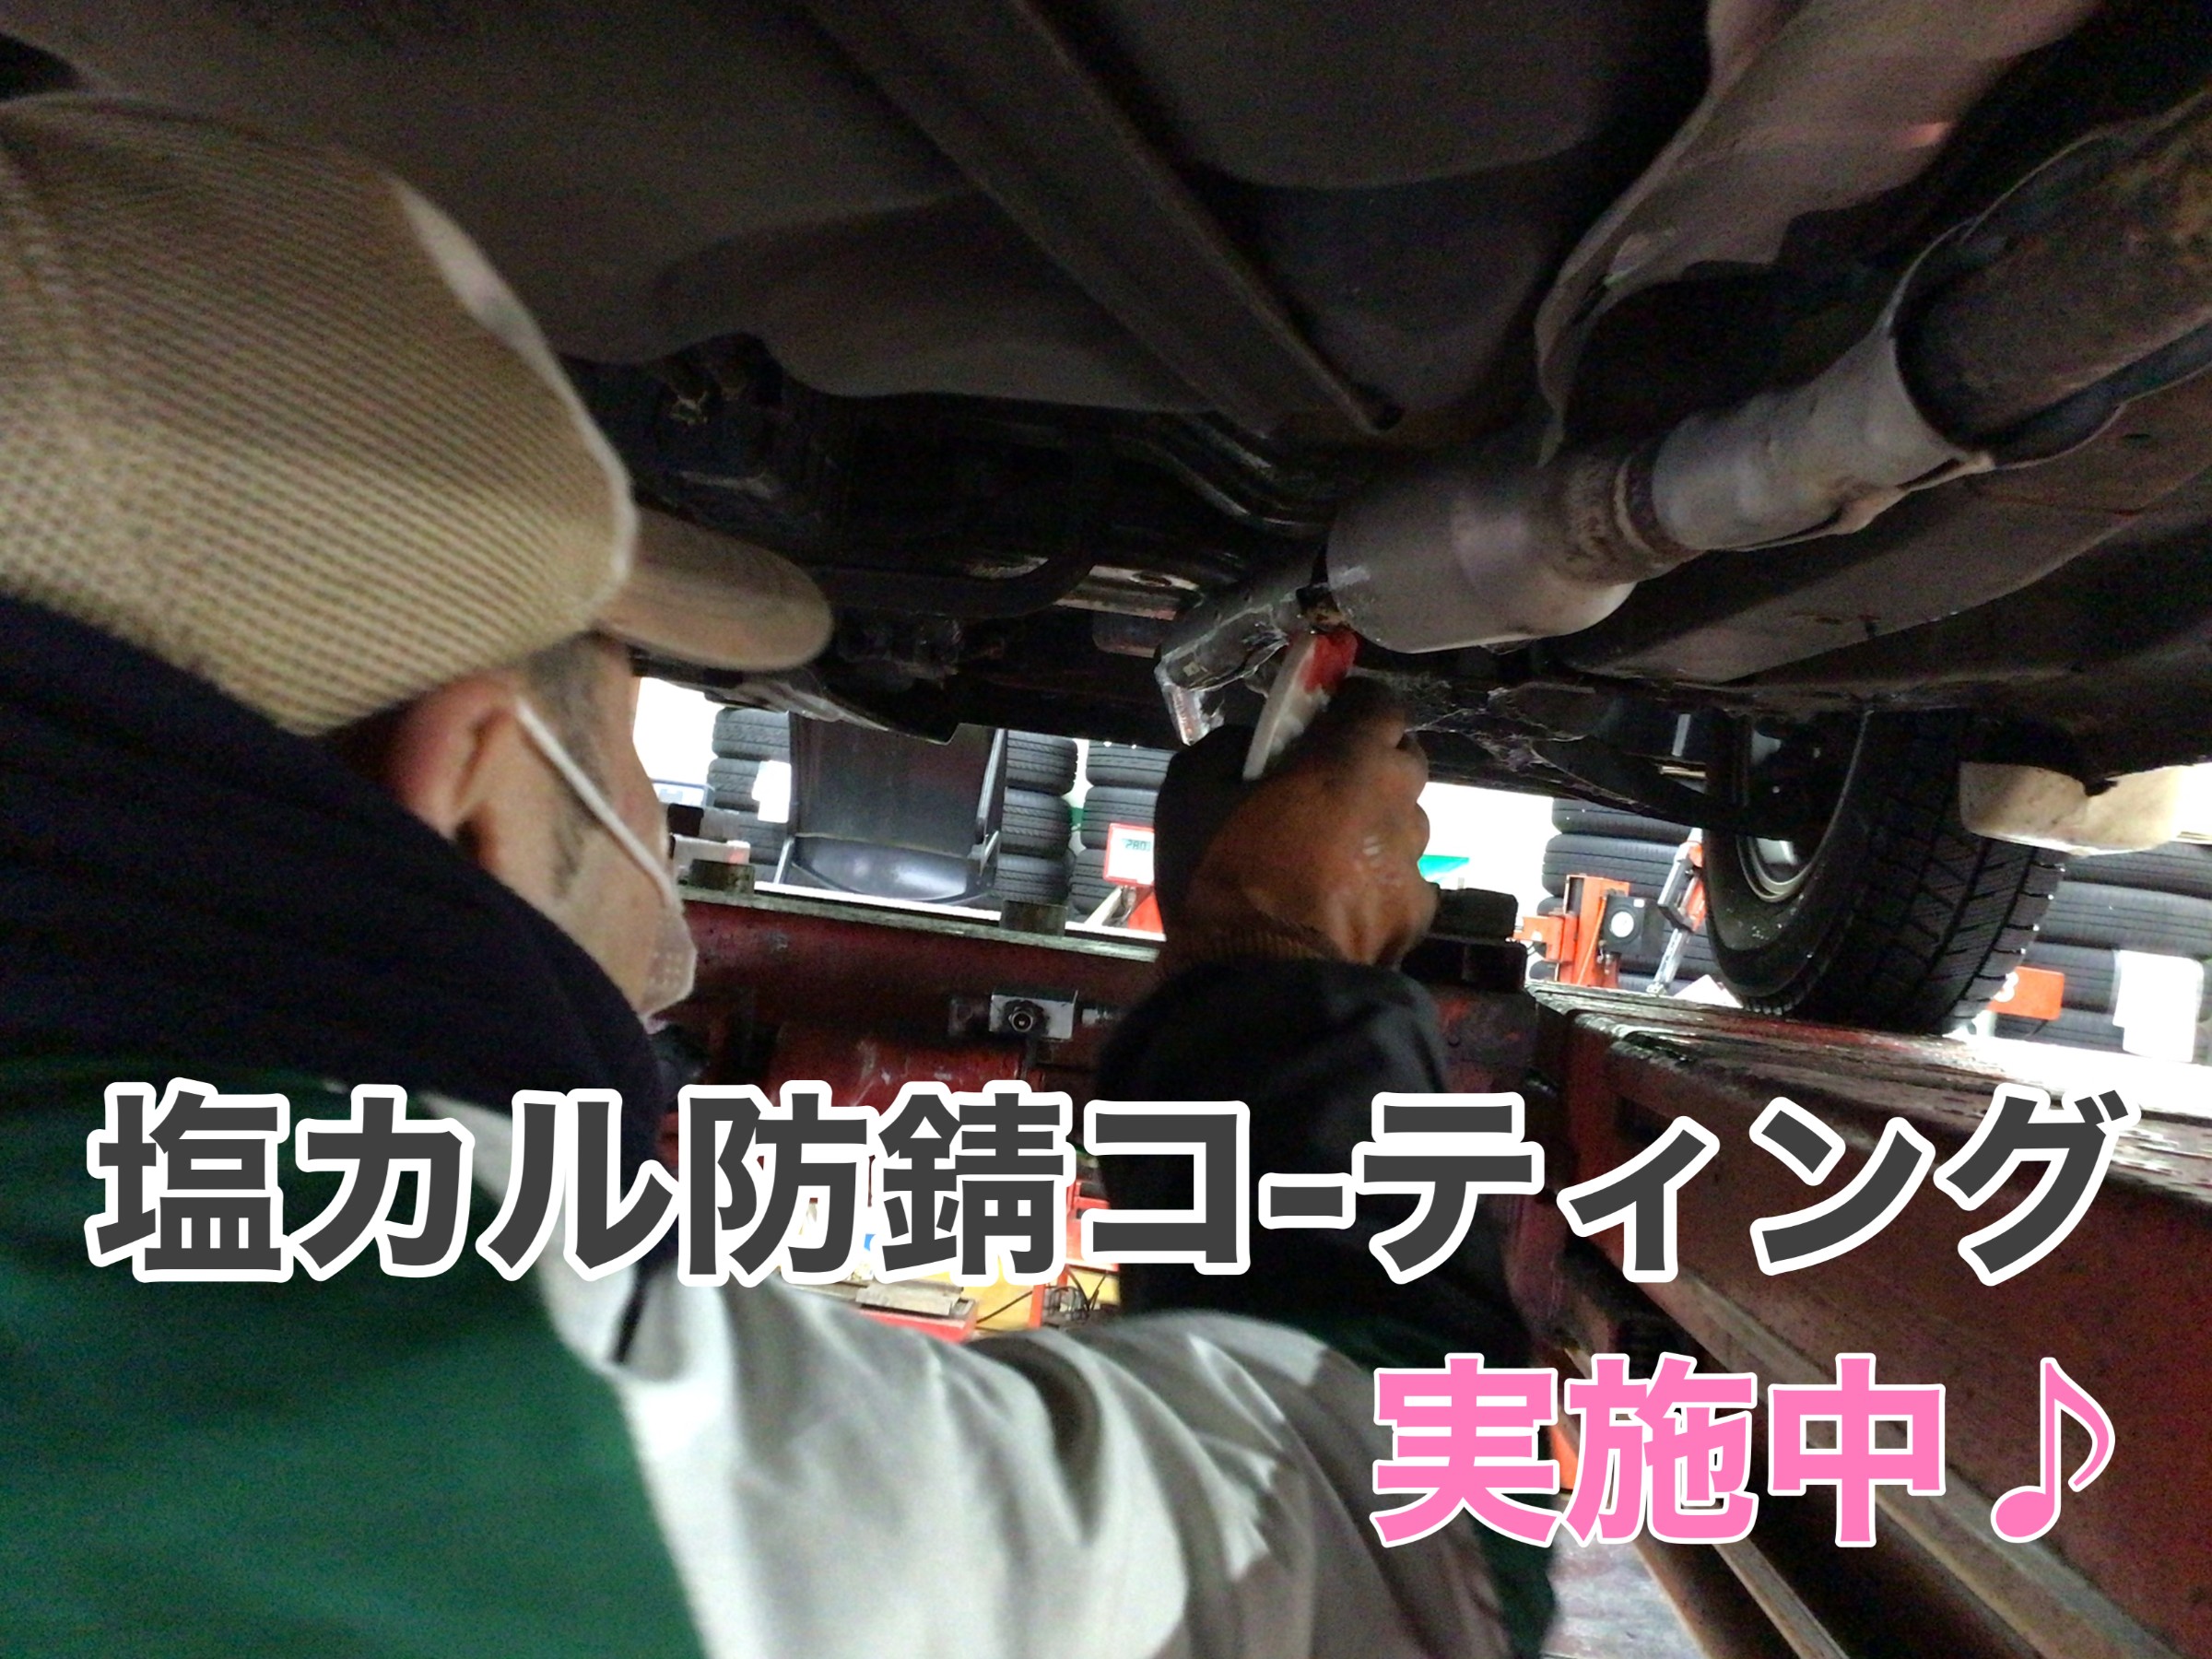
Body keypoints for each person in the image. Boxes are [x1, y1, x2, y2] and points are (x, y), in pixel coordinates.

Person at [0, 100, 1539, 1658]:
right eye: (623, 721)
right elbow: (1402, 1537)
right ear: (465, 796)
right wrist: (1281, 943)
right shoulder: (375, 1374)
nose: (656, 823)